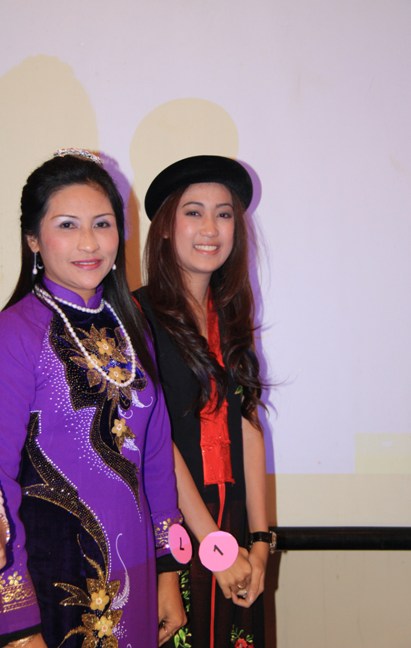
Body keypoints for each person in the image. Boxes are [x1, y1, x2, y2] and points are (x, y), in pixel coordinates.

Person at [0, 149, 186, 647]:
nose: (89, 242)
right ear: (33, 239)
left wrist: (167, 570)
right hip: (51, 585)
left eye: (102, 224)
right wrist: (16, 622)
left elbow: (154, 458)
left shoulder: (132, 326)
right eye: (67, 225)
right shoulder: (14, 334)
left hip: (138, 574)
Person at [135, 155, 275, 648]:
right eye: (193, 212)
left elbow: (249, 425)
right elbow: (154, 440)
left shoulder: (231, 314)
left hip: (233, 527)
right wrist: (215, 546)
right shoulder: (136, 315)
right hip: (172, 529)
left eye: (224, 214)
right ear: (165, 227)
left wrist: (260, 542)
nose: (211, 228)